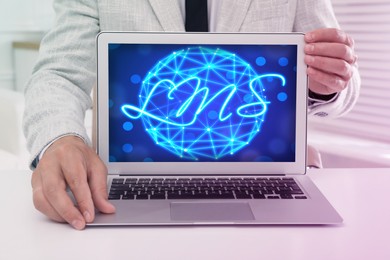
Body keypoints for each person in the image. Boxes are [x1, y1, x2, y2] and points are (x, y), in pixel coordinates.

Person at [23, 0, 360, 230]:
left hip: (263, 172)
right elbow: (61, 74)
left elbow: (341, 72)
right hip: (135, 179)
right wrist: (60, 137)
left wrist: (326, 84)